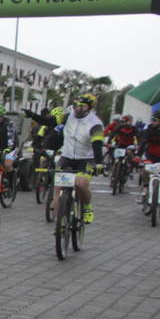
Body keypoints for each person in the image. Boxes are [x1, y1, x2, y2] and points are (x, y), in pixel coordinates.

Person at [53, 94, 104, 224]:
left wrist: (99, 164)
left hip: (86, 159)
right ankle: (60, 223)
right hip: (67, 157)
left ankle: (87, 208)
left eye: (81, 106)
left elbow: (97, 145)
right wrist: (32, 115)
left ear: (89, 108)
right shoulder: (69, 116)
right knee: (59, 188)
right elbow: (50, 121)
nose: (76, 108)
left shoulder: (95, 123)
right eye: (75, 105)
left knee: (80, 184)